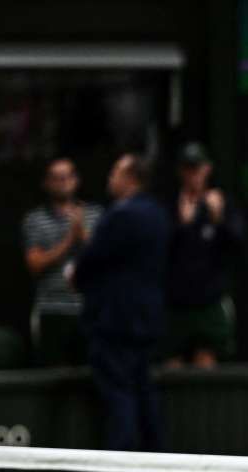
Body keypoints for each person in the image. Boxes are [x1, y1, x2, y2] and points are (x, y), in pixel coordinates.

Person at [72, 153, 170, 451]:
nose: (110, 177)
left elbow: (91, 261)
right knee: (143, 388)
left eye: (115, 172)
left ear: (131, 178)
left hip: (115, 319)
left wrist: (75, 274)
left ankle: (117, 461)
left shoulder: (120, 215)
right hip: (146, 317)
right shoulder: (157, 213)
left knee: (119, 391)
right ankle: (156, 459)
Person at [164, 142, 243, 368]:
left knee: (206, 363)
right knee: (172, 367)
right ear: (180, 172)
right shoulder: (170, 206)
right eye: (188, 169)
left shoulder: (221, 203)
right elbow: (159, 248)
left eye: (197, 168)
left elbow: (237, 243)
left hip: (209, 302)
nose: (193, 175)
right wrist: (183, 225)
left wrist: (219, 220)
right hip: (175, 304)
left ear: (207, 169)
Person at [22, 157, 104, 366]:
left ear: (76, 180)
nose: (63, 182)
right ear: (46, 183)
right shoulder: (35, 220)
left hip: (89, 309)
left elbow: (106, 259)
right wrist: (69, 239)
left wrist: (83, 236)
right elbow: (35, 264)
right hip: (51, 310)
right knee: (51, 374)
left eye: (67, 177)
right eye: (56, 178)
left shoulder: (96, 215)